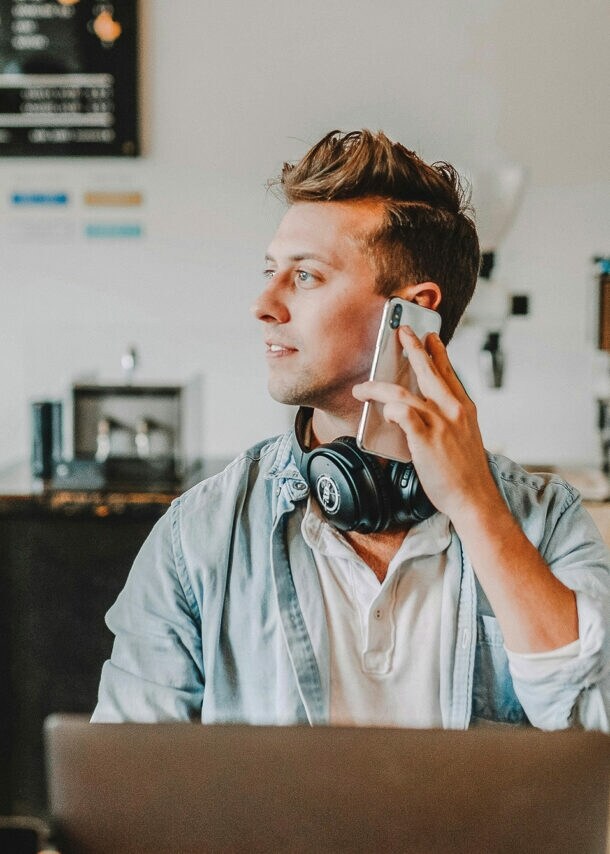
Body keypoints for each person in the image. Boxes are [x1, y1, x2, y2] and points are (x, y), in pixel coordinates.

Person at [92, 130, 609, 730]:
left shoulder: (547, 523)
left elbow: (589, 730)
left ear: (411, 315)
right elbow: (129, 786)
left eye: (305, 276)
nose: (264, 302)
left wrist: (476, 508)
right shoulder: (199, 538)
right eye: (270, 270)